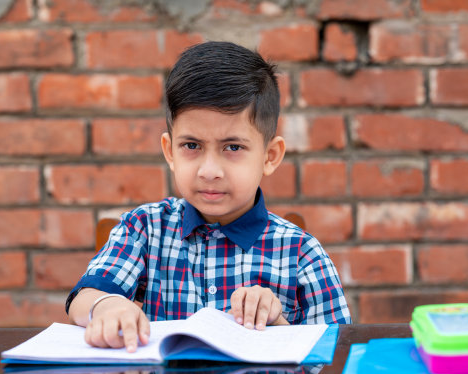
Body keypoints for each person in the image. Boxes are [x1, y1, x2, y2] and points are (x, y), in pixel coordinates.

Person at [66, 41, 351, 352]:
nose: (209, 170)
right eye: (192, 146)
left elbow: (334, 356)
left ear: (270, 156)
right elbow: (84, 298)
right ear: (169, 151)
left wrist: (280, 329)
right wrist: (107, 307)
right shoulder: (144, 229)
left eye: (233, 147)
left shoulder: (301, 253)